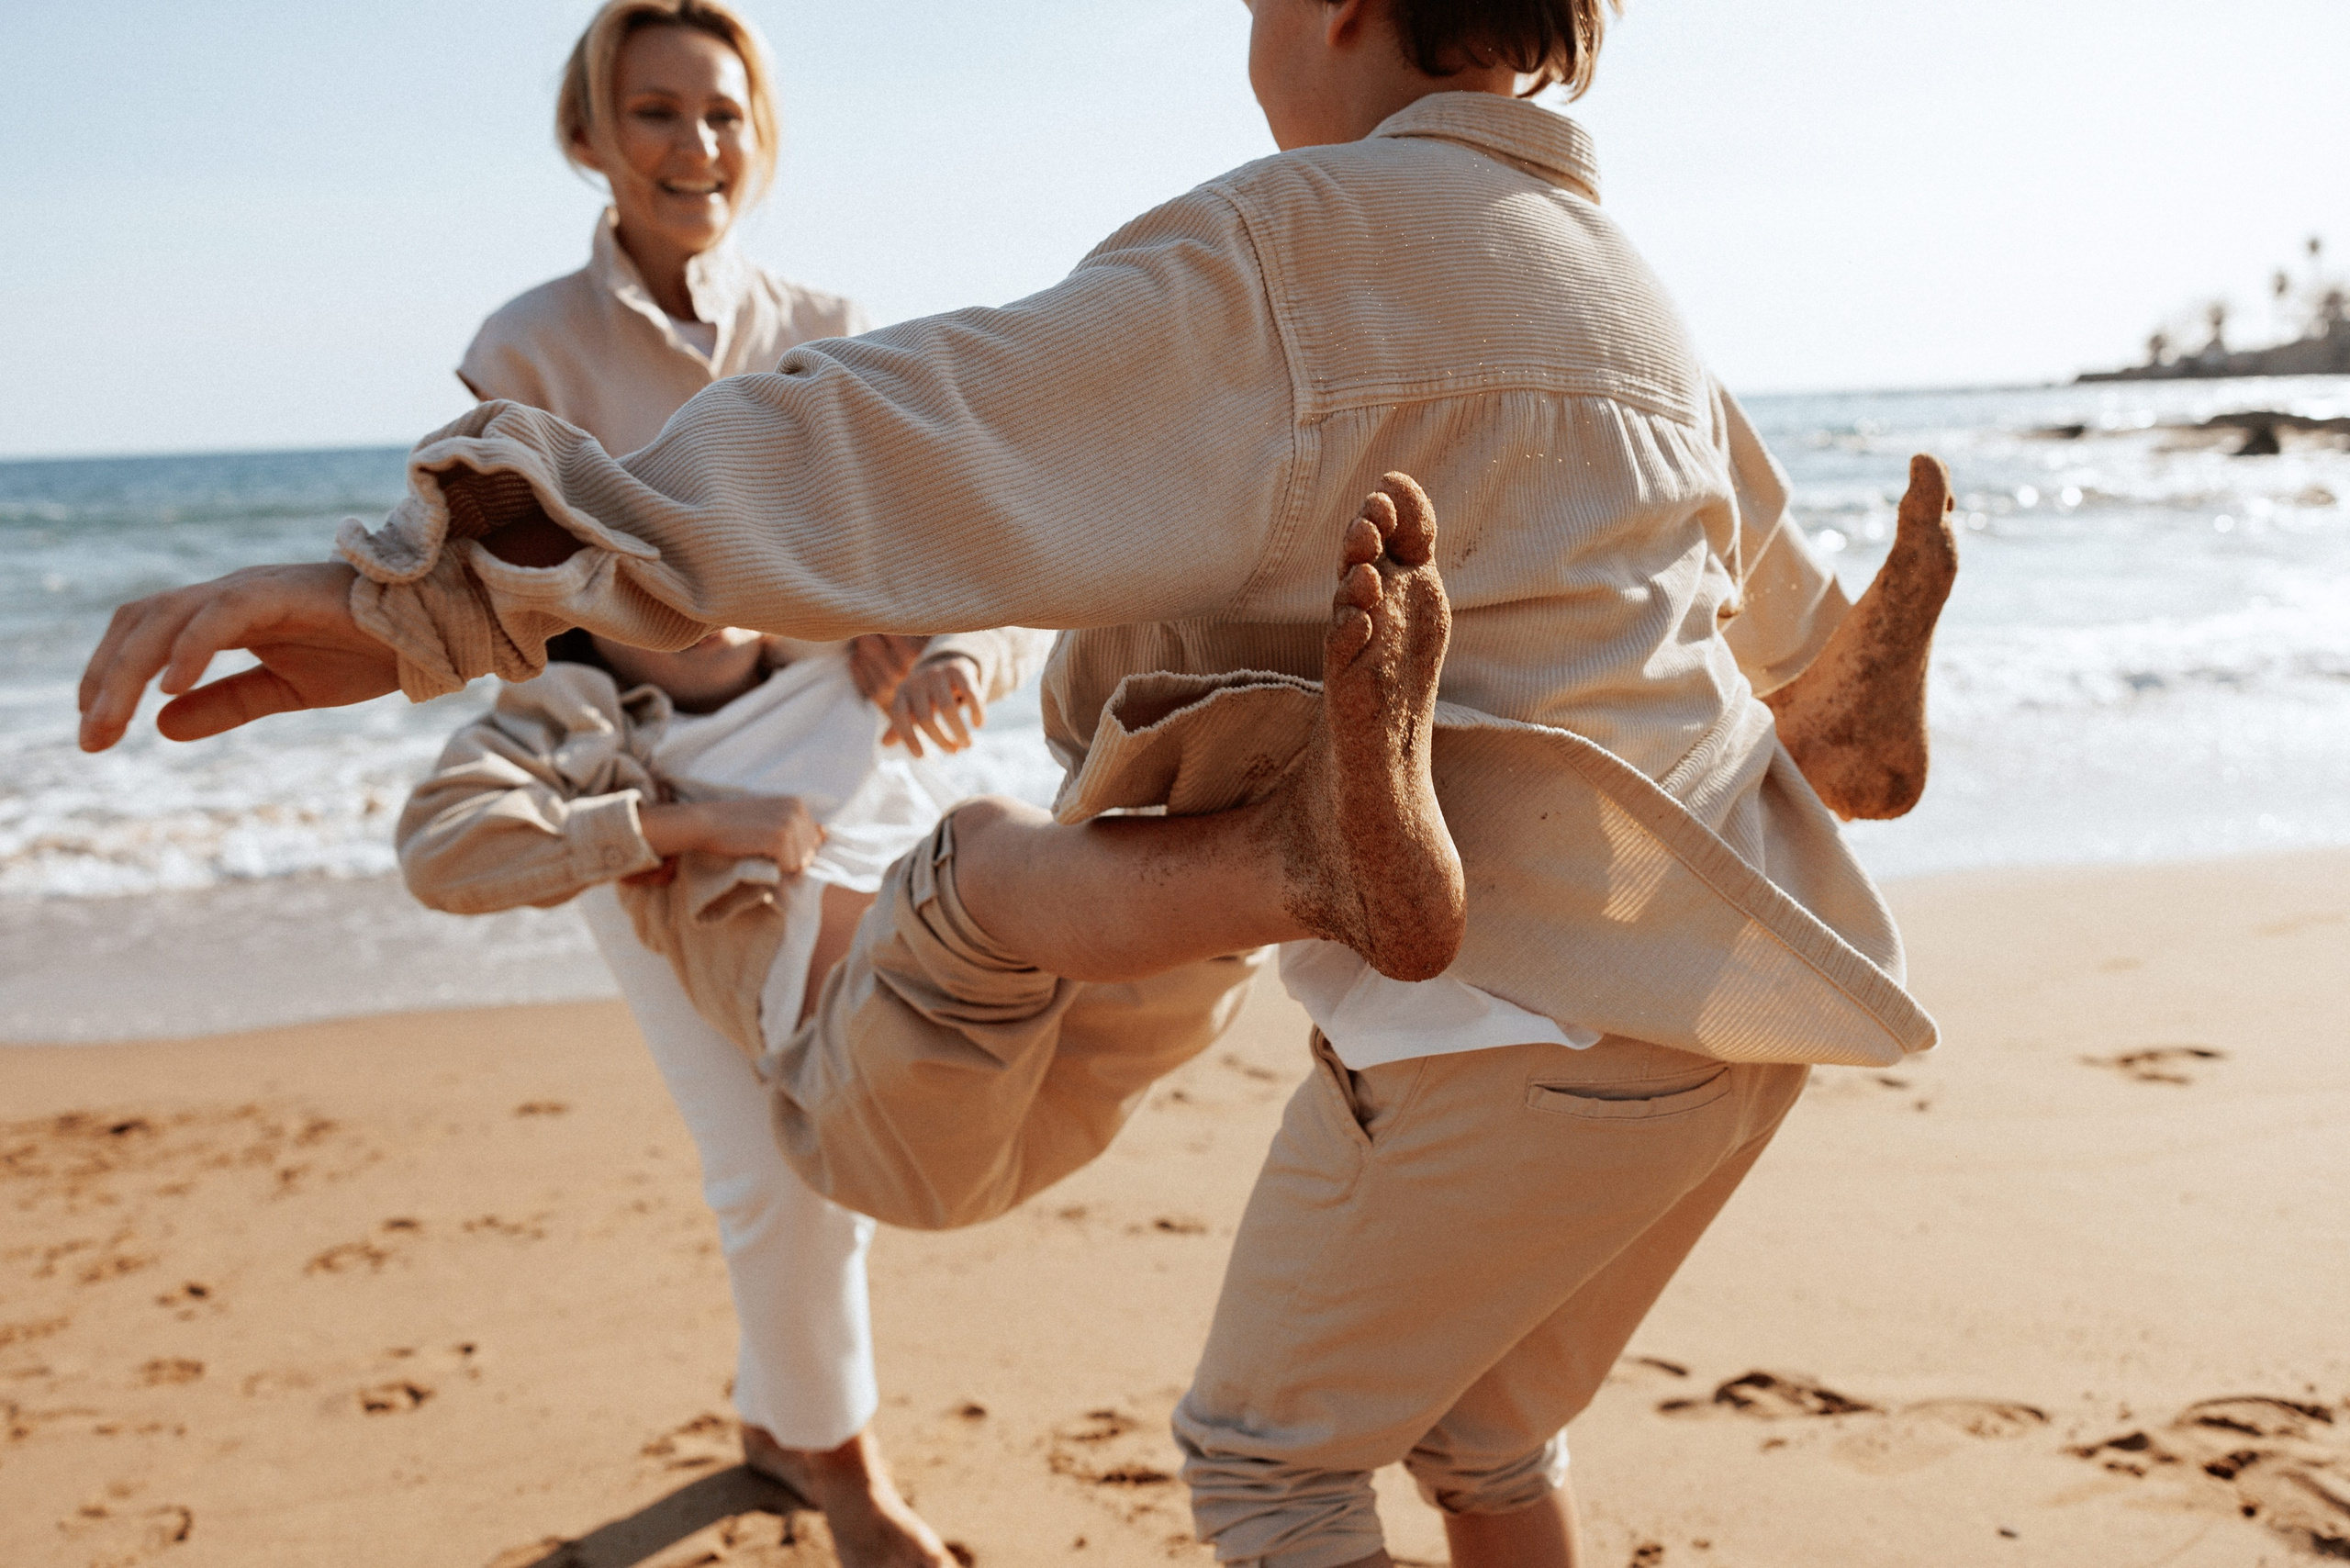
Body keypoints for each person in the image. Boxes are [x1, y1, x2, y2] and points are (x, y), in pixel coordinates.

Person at [77, 2, 1964, 1563]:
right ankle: (1355, 825)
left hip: (1505, 1016)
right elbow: (1746, 589)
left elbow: (922, 430)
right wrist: (1825, 688)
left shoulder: (1298, 243)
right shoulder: (1617, 278)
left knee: (1268, 1456)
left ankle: (1284, 836)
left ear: (1326, 10)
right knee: (1480, 1435)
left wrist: (421, 599)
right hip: (1734, 981)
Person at [427, 4, 1043, 1561]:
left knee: (831, 1093)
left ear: (757, 136)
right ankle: (836, 1465)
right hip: (647, 779)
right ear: (590, 137)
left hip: (842, 743)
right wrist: (645, 798)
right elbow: (501, 616)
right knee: (756, 1143)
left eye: (721, 115)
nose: (694, 147)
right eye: (655, 114)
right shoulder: (521, 351)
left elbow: (941, 536)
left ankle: (792, 1424)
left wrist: (938, 638)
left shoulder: (825, 319)